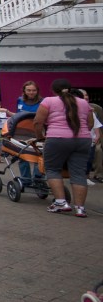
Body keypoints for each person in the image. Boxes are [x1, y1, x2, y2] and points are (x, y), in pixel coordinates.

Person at [34, 79, 94, 217]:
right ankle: (80, 208)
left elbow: (38, 122)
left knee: (53, 169)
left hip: (57, 139)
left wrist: (40, 137)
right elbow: (90, 123)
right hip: (83, 139)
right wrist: (81, 134)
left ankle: (61, 203)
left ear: (53, 90)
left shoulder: (49, 101)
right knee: (79, 173)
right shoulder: (84, 102)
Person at [16, 81, 43, 184]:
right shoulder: (19, 100)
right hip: (21, 132)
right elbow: (18, 116)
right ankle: (26, 179)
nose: (31, 92)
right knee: (23, 156)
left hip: (37, 132)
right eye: (29, 90)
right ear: (24, 90)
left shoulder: (43, 102)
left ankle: (37, 179)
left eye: (34, 90)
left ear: (37, 91)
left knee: (39, 156)